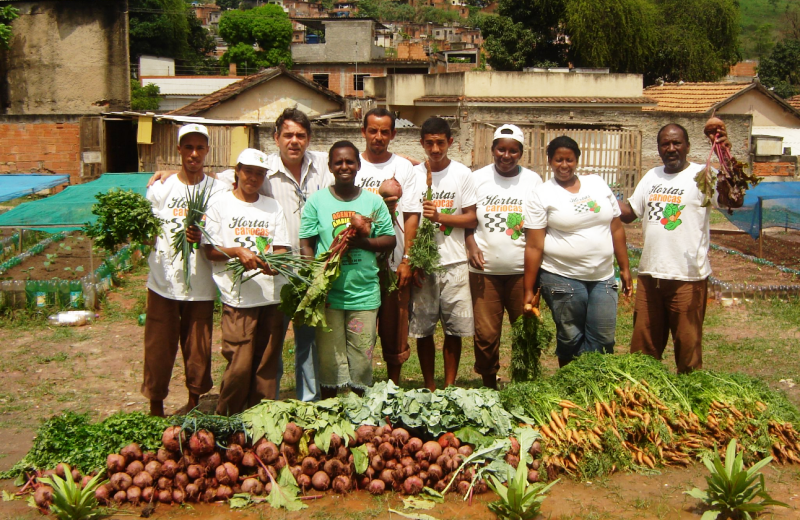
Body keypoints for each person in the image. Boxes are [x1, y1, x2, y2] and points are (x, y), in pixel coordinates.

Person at [619, 122, 741, 373]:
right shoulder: (652, 176)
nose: (671, 148)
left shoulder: (703, 175)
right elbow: (630, 213)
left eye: (676, 143)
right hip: (650, 276)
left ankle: (689, 401)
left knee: (688, 349)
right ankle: (644, 400)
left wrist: (725, 157)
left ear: (687, 146)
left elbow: (733, 200)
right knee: (643, 350)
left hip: (688, 278)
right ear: (658, 149)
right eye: (665, 144)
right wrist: (599, 196)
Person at [522, 135, 632, 367]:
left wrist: (624, 267)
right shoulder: (542, 194)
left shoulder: (597, 184)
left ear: (577, 160)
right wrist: (529, 289)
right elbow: (534, 245)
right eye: (558, 160)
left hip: (603, 276)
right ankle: (570, 390)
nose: (564, 165)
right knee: (571, 338)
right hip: (562, 276)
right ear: (550, 161)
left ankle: (595, 390)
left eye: (569, 160)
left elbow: (616, 227)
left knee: (603, 339)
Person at [298, 141, 396, 397]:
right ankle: (335, 408)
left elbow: (389, 239)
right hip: (329, 295)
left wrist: (364, 242)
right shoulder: (317, 201)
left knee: (361, 355)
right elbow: (306, 243)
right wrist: (313, 279)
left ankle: (361, 408)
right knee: (331, 358)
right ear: (330, 166)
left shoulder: (373, 202)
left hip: (363, 294)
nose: (344, 166)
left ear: (358, 166)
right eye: (338, 162)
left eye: (350, 162)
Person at [141, 124, 224, 416]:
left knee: (198, 348)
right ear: (178, 150)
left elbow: (243, 182)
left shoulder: (217, 188)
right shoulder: (161, 187)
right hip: (163, 281)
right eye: (188, 147)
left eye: (200, 148)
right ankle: (156, 405)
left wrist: (203, 238)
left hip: (201, 284)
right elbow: (147, 231)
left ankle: (194, 403)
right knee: (158, 347)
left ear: (207, 151)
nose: (194, 154)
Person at [200, 148, 291, 414]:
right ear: (237, 171)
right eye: (248, 171)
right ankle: (228, 417)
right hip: (237, 298)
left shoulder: (272, 206)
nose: (253, 177)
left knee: (266, 365)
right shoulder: (220, 205)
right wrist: (237, 252)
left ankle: (260, 420)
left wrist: (276, 265)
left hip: (270, 296)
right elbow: (210, 250)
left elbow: (281, 249)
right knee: (239, 365)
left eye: (259, 173)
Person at [465, 124, 542, 388]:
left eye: (512, 151)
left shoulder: (532, 181)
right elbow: (467, 217)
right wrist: (470, 244)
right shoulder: (477, 179)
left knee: (524, 332)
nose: (506, 156)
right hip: (485, 272)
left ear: (521, 153)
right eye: (501, 149)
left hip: (522, 272)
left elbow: (538, 226)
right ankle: (489, 383)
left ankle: (524, 384)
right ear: (492, 149)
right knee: (486, 335)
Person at [409, 116, 478, 390]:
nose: (435, 149)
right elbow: (410, 220)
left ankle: (449, 385)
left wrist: (440, 217)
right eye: (429, 143)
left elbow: (471, 218)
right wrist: (413, 260)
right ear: (422, 143)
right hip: (424, 264)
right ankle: (429, 385)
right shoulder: (413, 175)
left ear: (450, 142)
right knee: (423, 330)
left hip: (455, 262)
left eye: (440, 143)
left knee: (454, 329)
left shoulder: (462, 174)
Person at [357, 108, 421, 384]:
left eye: (385, 131)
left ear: (393, 134)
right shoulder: (351, 164)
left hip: (393, 261)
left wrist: (407, 258)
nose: (378, 137)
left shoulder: (404, 167)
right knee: (361, 326)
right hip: (359, 262)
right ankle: (361, 384)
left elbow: (411, 216)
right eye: (373, 130)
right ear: (364, 132)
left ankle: (393, 386)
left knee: (395, 327)